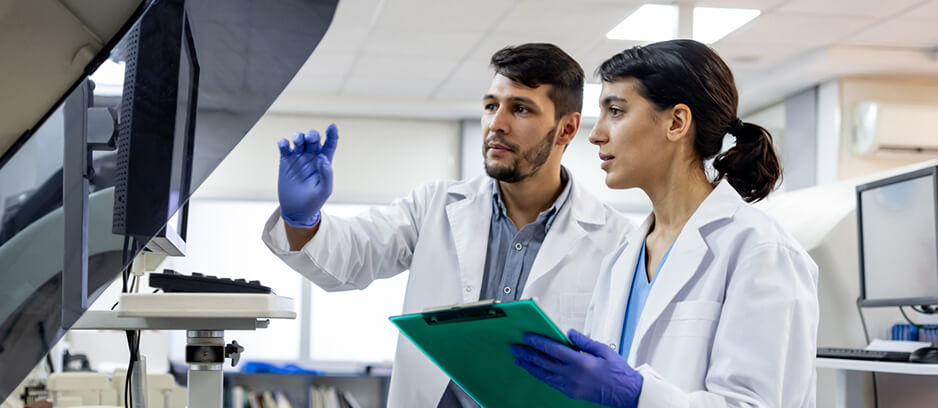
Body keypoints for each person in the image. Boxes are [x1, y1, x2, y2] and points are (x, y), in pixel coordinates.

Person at [261, 43, 633, 407]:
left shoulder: (617, 240)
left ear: (566, 130)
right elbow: (353, 258)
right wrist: (302, 219)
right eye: (491, 106)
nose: (496, 124)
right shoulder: (434, 206)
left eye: (520, 109)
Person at [510, 39, 819, 407]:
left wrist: (639, 395)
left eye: (617, 111)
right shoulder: (623, 255)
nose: (596, 133)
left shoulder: (760, 251)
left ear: (676, 122)